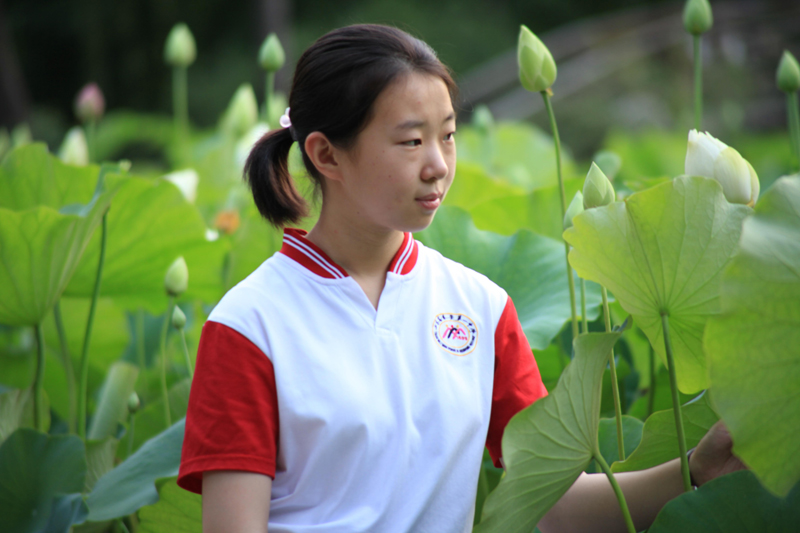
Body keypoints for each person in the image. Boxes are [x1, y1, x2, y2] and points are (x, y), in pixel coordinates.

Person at [177, 24, 744, 533]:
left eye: (447, 135)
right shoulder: (249, 325)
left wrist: (698, 469)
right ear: (326, 155)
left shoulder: (481, 305)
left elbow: (560, 508)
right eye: (411, 141)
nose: (438, 165)